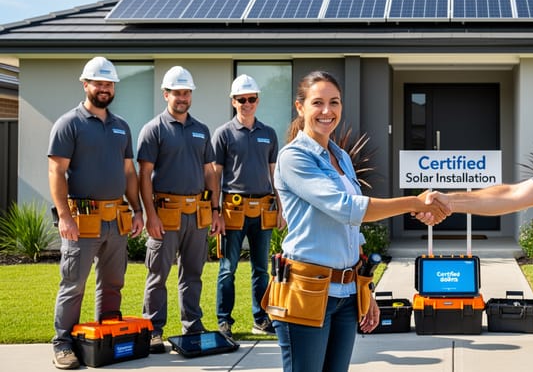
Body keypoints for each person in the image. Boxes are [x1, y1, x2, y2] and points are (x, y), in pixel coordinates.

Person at [272, 70, 451, 372]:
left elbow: (351, 231)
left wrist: (364, 289)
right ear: (300, 107)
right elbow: (346, 208)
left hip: (344, 294)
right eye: (318, 103)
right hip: (305, 291)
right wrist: (414, 203)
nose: (327, 111)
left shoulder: (340, 156)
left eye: (334, 102)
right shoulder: (294, 157)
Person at [48, 57, 144, 369]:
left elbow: (129, 173)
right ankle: (63, 343)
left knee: (113, 281)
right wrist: (64, 216)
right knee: (74, 283)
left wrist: (137, 210)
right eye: (98, 83)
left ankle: (107, 335)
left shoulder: (121, 127)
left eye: (109, 83)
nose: (104, 88)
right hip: (82, 220)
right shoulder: (69, 124)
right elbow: (56, 171)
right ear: (85, 84)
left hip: (116, 218)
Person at [138, 65, 224, 353]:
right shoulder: (154, 130)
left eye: (186, 92)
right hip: (165, 213)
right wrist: (150, 214)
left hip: (197, 214)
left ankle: (193, 325)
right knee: (158, 274)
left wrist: (214, 209)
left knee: (193, 274)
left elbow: (209, 171)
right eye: (177, 92)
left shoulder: (201, 130)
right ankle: (153, 329)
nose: (182, 97)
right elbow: (143, 175)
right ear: (166, 94)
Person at [213, 74, 282, 338]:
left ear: (258, 101)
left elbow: (274, 173)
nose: (247, 103)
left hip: (264, 207)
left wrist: (281, 210)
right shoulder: (223, 134)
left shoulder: (269, 134)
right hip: (233, 207)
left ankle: (260, 318)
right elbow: (215, 175)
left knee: (261, 269)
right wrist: (215, 211)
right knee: (227, 268)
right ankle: (223, 320)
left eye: (251, 99)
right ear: (233, 101)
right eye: (241, 99)